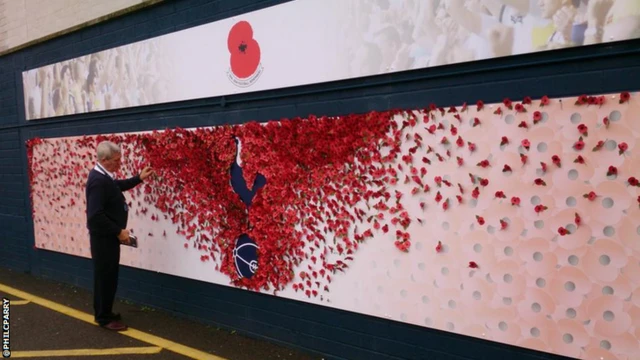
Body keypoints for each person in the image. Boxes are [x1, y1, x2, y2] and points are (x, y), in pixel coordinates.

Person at [85, 140, 154, 331]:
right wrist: (118, 231)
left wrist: (138, 178)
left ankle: (104, 311)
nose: (119, 163)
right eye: (116, 161)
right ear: (104, 160)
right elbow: (94, 216)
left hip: (108, 237)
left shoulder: (104, 176)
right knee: (106, 277)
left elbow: (117, 187)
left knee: (107, 276)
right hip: (104, 239)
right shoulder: (98, 181)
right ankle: (104, 318)